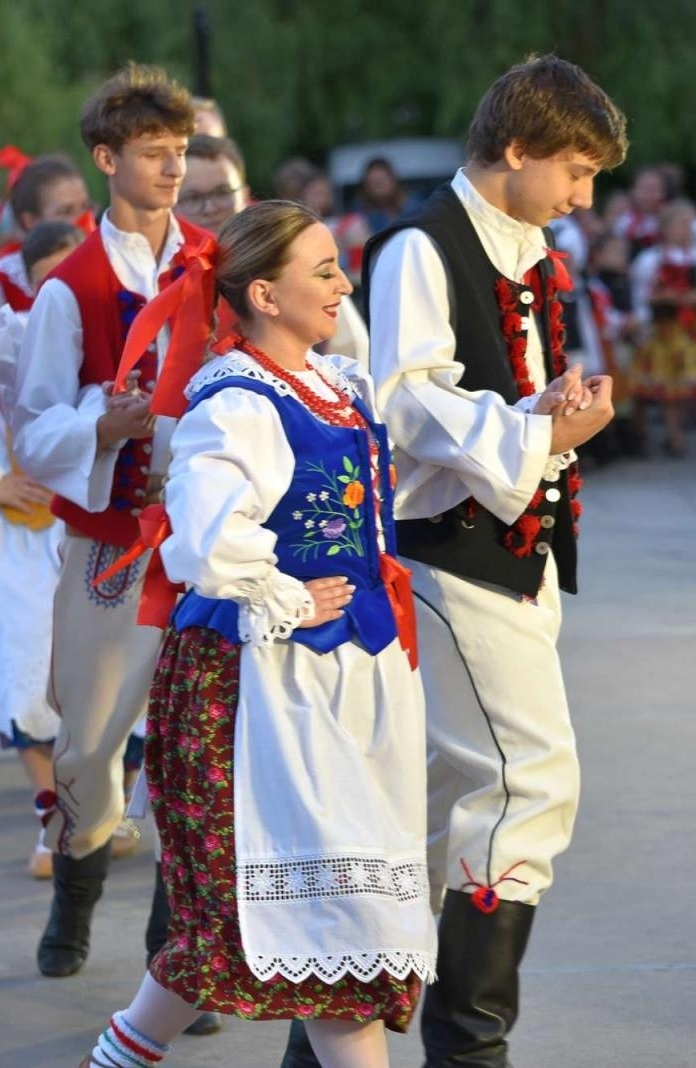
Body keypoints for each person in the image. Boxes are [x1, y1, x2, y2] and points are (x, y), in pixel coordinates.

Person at [290, 55, 624, 1068]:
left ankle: (332, 1033)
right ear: (515, 149)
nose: (584, 195)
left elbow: (474, 390)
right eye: (574, 168)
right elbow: (404, 400)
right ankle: (470, 1046)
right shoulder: (420, 249)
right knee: (528, 781)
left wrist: (537, 412)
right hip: (452, 554)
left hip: (509, 550)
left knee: (438, 802)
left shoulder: (517, 244)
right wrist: (533, 439)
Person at [82, 201, 433, 1068]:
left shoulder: (337, 384)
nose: (342, 282)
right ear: (266, 294)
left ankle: (113, 1059)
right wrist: (275, 590)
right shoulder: (236, 402)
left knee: (246, 934)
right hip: (261, 690)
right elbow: (201, 531)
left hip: (343, 681)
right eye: (323, 270)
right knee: (327, 939)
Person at [11, 62, 210, 987]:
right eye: (153, 154)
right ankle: (75, 891)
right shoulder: (75, 287)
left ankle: (177, 957)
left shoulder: (213, 260)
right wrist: (104, 422)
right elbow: (35, 421)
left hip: (206, 536)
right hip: (111, 541)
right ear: (106, 159)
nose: (173, 169)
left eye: (179, 153)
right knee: (89, 747)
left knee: (196, 745)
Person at [0, 220, 86, 880]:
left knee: (110, 677)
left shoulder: (118, 344)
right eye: (49, 284)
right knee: (27, 672)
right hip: (18, 534)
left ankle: (104, 812)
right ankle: (53, 820)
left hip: (96, 524)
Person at [178, 134, 369, 365]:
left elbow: (350, 349)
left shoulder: (293, 256)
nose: (209, 208)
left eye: (222, 192)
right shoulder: (168, 275)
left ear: (245, 193)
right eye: (193, 197)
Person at [629, 200, 696, 456]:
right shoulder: (651, 259)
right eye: (682, 224)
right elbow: (642, 296)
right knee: (670, 387)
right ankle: (675, 438)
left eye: (690, 224)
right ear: (666, 228)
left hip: (694, 327)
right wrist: (659, 303)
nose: (687, 230)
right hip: (665, 328)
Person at [0, 154, 94, 313]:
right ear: (30, 221)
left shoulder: (103, 268)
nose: (82, 219)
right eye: (65, 212)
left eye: (85, 207)